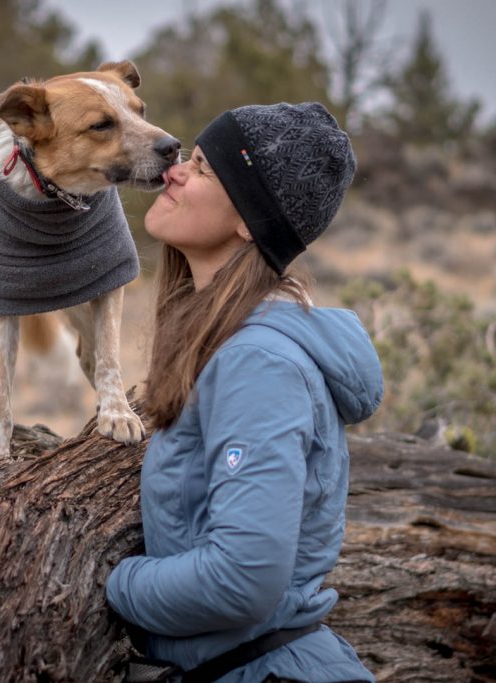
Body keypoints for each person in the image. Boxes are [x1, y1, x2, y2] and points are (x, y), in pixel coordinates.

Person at [105, 102, 384, 683]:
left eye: (203, 168)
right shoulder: (228, 343)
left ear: (249, 220)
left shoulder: (256, 363)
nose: (173, 170)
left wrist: (107, 582)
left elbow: (241, 579)